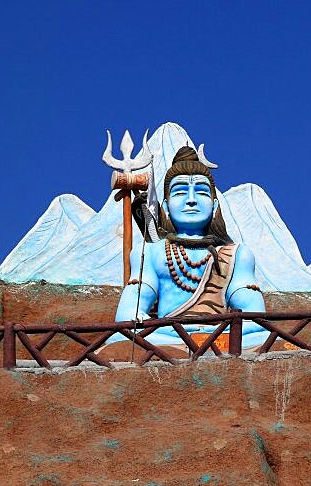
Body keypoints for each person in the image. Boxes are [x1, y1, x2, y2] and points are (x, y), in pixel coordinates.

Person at [112, 147, 266, 348]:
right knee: (124, 338)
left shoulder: (237, 255)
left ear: (215, 204)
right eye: (180, 191)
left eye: (201, 191)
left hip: (220, 336)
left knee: (263, 336)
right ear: (166, 206)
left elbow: (254, 317)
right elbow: (128, 315)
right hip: (166, 336)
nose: (191, 200)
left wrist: (211, 333)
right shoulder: (151, 252)